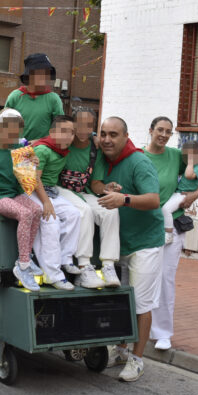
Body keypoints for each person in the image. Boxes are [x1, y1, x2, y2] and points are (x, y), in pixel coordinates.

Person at [91, 116, 162, 382]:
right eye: (104, 134)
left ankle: (137, 358)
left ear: (126, 136)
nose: (107, 139)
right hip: (117, 243)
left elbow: (154, 200)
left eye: (114, 135)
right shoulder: (102, 156)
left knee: (141, 304)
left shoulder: (139, 162)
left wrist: (125, 199)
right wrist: (103, 187)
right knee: (119, 299)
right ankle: (120, 349)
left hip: (144, 244)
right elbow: (95, 184)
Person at [144, 117, 198, 352]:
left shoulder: (176, 155)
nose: (164, 135)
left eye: (168, 131)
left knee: (166, 280)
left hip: (172, 226)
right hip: (143, 227)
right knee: (143, 279)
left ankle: (163, 333)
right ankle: (138, 329)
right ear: (151, 131)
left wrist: (194, 195)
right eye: (160, 130)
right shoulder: (138, 157)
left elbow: (196, 175)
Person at [0, 109, 44, 290]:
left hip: (13, 194)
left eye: (16, 133)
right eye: (9, 132)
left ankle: (26, 256)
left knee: (37, 209)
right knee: (25, 213)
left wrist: (33, 163)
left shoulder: (20, 150)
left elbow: (27, 179)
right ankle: (23, 265)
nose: (13, 136)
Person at [56, 108, 120, 288]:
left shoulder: (95, 149)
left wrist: (106, 188)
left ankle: (108, 265)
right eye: (80, 124)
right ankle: (84, 266)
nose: (84, 129)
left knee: (110, 210)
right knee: (84, 212)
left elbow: (95, 184)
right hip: (58, 190)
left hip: (83, 192)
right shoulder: (64, 142)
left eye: (89, 125)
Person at [28, 115, 82, 290]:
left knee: (74, 214)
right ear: (52, 132)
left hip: (51, 191)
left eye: (72, 133)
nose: (69, 136)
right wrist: (46, 203)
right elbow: (34, 179)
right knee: (51, 221)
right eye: (64, 131)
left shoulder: (61, 150)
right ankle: (53, 274)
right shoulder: (43, 150)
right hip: (32, 190)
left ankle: (66, 258)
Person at [4, 53, 64, 141]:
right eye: (39, 72)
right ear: (29, 75)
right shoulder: (15, 96)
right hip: (16, 150)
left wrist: (38, 142)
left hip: (42, 150)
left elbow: (60, 129)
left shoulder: (54, 99)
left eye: (46, 73)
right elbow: (4, 127)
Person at [160, 141, 198, 245]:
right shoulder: (192, 165)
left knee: (166, 209)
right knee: (165, 207)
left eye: (191, 155)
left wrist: (189, 163)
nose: (187, 157)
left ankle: (168, 234)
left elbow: (189, 175)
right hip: (179, 192)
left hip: (183, 195)